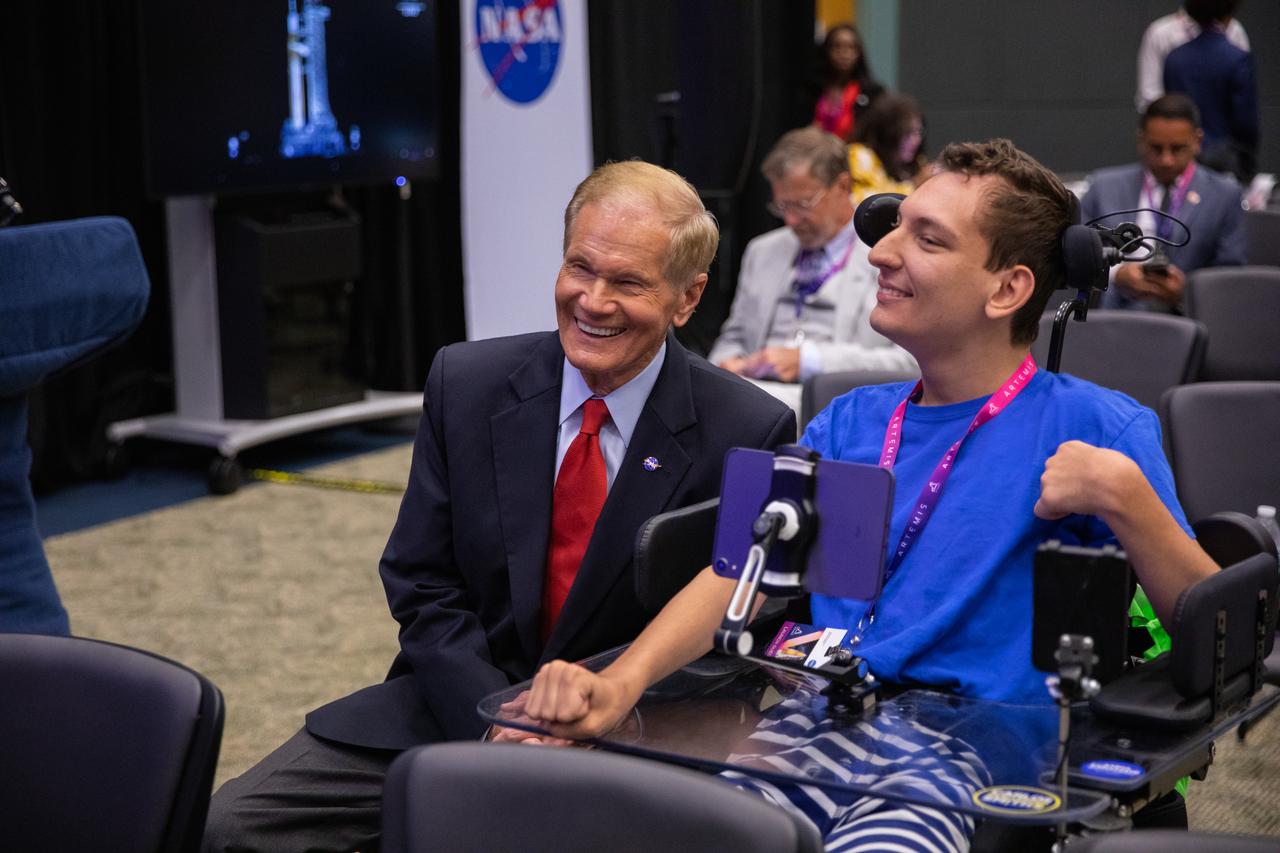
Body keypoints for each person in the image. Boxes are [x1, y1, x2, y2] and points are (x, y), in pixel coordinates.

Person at [525, 139, 1217, 851]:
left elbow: (1210, 629)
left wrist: (1128, 499)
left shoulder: (1097, 428)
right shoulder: (850, 421)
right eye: (895, 226)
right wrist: (623, 681)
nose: (881, 253)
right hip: (816, 724)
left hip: (972, 756)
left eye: (928, 238)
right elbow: (743, 575)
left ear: (1007, 288)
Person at [200, 161, 796, 853]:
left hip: (638, 731)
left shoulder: (749, 429)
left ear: (687, 298)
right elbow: (422, 582)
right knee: (231, 828)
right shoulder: (467, 382)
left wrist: (602, 711)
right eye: (581, 267)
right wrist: (494, 719)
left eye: (627, 282)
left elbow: (743, 630)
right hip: (457, 704)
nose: (593, 300)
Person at [707, 127, 915, 388]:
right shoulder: (763, 251)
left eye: (803, 204)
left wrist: (811, 361)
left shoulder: (889, 257)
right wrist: (727, 366)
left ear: (843, 185)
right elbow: (733, 337)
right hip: (753, 392)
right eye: (783, 206)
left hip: (831, 397)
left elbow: (910, 363)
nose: (791, 220)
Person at [1082, 93, 1246, 313]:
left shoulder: (1225, 195)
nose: (1166, 160)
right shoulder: (1104, 187)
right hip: (1113, 313)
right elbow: (1077, 254)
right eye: (1156, 148)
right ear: (1141, 140)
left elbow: (1231, 275)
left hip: (1185, 318)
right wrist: (1116, 274)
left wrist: (1187, 291)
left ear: (1197, 141)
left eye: (1177, 149)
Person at [1162, 0, 1259, 183]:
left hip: (1185, 160)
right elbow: (1246, 122)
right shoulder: (1236, 59)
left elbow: (1171, 111)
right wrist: (1247, 162)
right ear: (1229, 12)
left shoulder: (1175, 59)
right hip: (1227, 161)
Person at [1134, 0, 1249, 113]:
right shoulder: (1160, 33)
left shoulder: (1234, 30)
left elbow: (1243, 92)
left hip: (1219, 127)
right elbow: (1149, 95)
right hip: (1174, 125)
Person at [849, 93, 928, 206]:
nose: (916, 140)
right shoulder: (860, 155)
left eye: (918, 132)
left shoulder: (918, 163)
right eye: (907, 133)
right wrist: (913, 187)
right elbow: (864, 203)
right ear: (887, 133)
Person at [811, 23, 885, 143]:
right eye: (837, 47)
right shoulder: (812, 90)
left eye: (851, 47)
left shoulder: (872, 93)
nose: (844, 53)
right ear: (826, 51)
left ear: (859, 53)